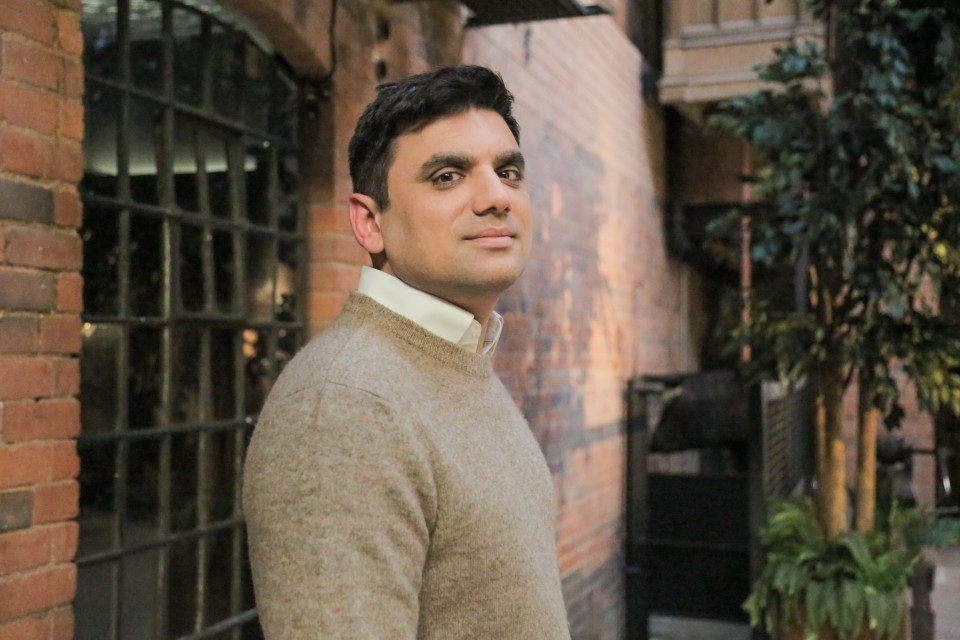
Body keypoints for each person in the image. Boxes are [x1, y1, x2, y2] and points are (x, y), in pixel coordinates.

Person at [242, 65, 570, 639]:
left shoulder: (459, 361)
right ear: (370, 223)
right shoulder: (346, 405)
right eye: (447, 176)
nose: (496, 197)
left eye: (509, 171)